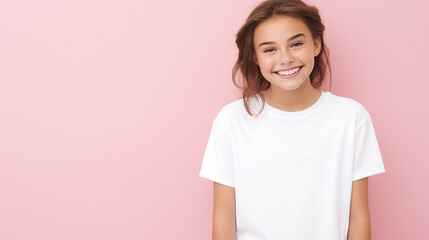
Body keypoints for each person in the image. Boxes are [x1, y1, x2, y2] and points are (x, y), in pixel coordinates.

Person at [198, 0, 386, 239]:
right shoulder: (232, 120)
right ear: (255, 57)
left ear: (316, 44)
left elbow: (358, 216)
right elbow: (223, 219)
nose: (285, 58)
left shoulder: (351, 118)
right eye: (269, 49)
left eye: (296, 44)